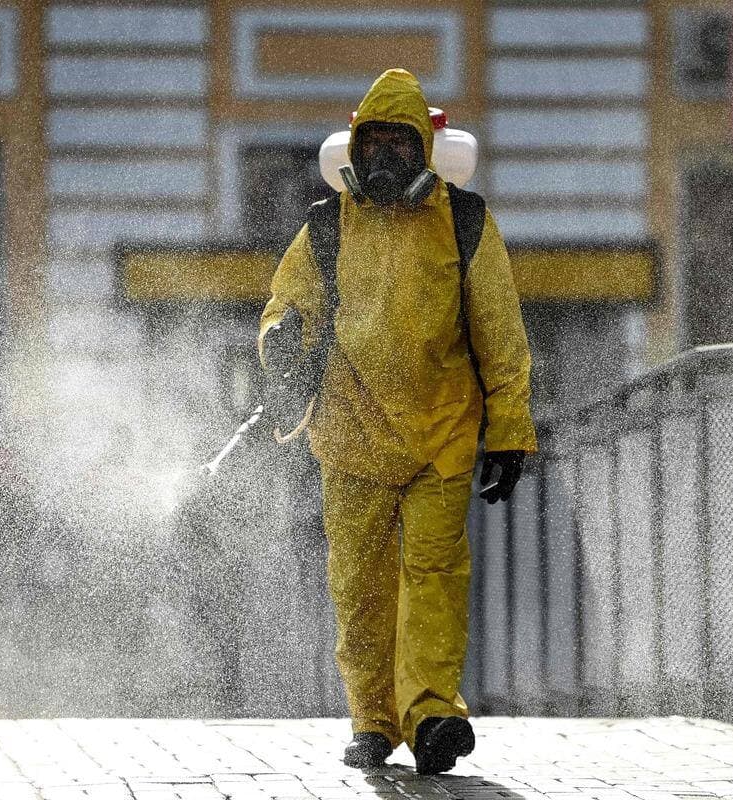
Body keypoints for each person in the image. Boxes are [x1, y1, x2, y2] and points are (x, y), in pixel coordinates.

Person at [259, 69, 537, 774]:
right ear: (354, 148)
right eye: (373, 143)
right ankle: (374, 721)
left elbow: (501, 337)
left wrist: (510, 432)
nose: (385, 158)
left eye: (400, 144)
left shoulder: (465, 222)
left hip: (441, 435)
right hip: (351, 438)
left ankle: (433, 714)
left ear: (425, 149)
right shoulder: (327, 226)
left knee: (433, 575)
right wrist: (281, 342)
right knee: (360, 587)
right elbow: (286, 308)